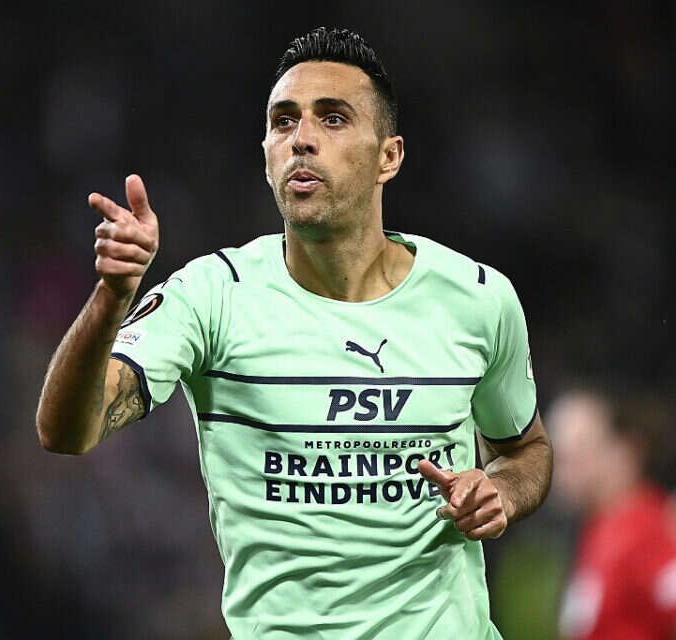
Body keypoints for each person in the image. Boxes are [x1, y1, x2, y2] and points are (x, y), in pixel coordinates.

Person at [37, 26, 553, 638]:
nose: (301, 139)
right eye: (283, 122)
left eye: (333, 119)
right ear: (266, 154)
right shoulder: (212, 296)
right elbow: (66, 431)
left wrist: (500, 492)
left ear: (389, 156)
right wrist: (111, 297)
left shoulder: (477, 298)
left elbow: (527, 452)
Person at [549, 386, 676, 639]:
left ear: (624, 450)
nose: (560, 471)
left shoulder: (649, 532)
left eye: (578, 452)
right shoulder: (598, 533)